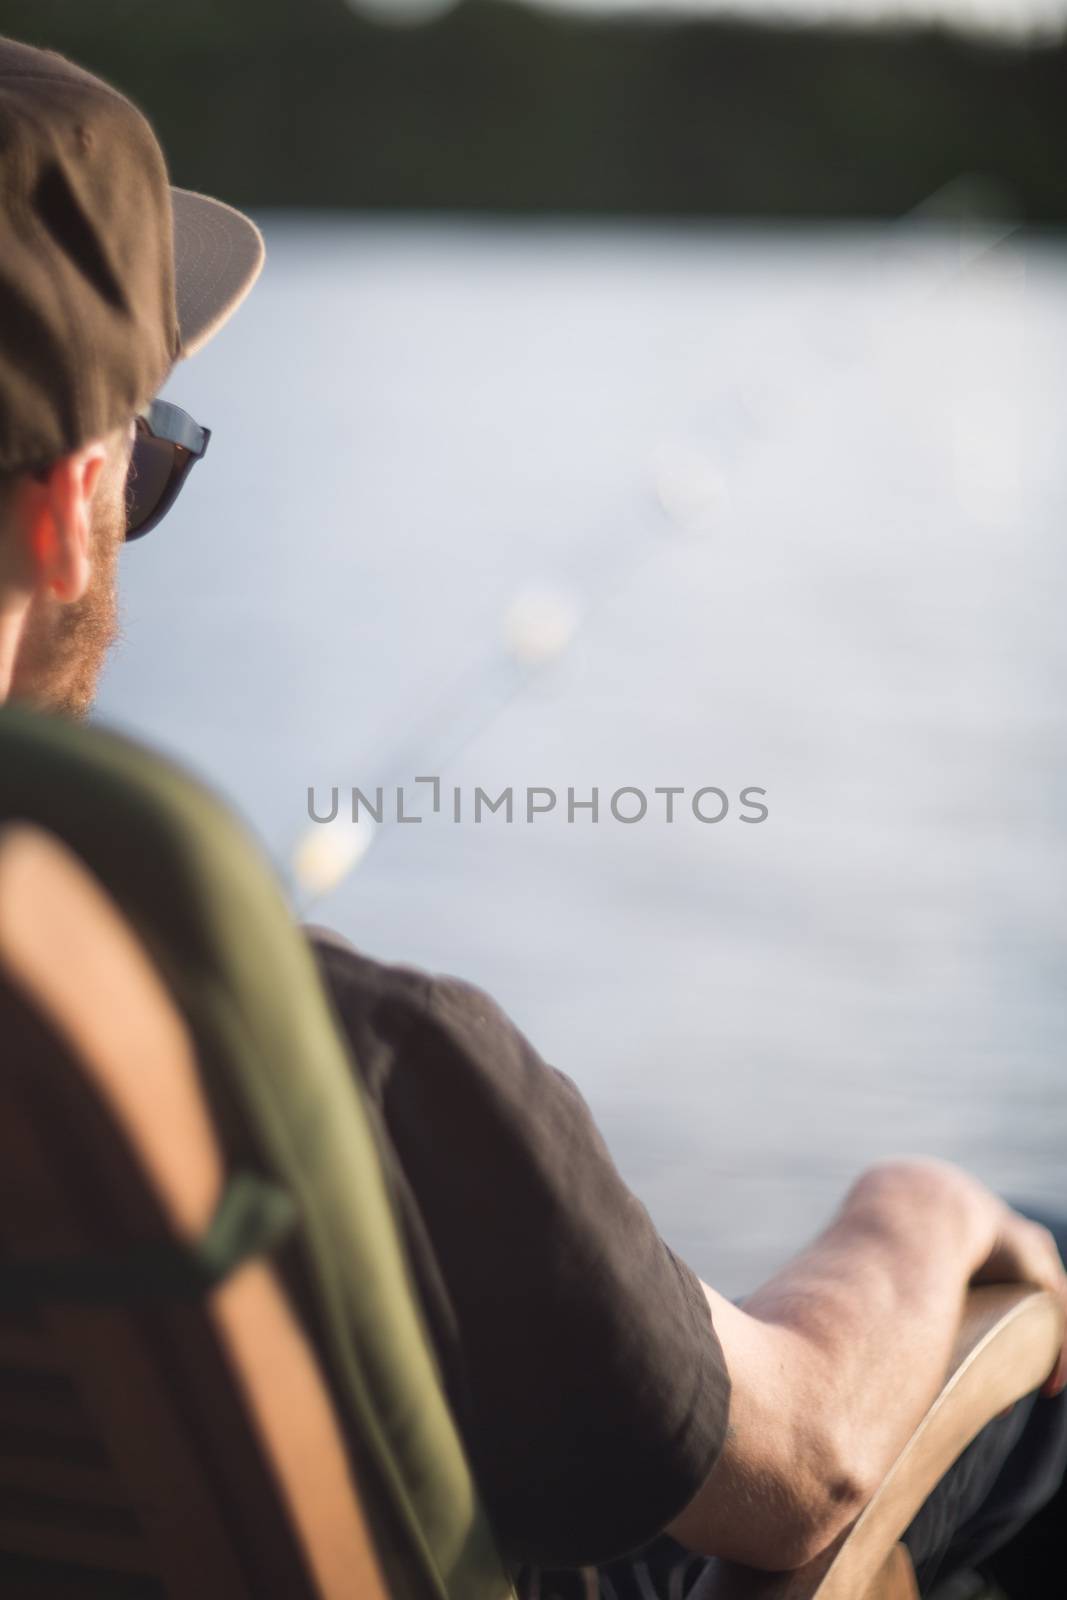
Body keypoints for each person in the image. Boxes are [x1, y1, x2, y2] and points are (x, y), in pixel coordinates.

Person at [0, 35, 1063, 1600]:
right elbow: (811, 1472)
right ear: (61, 507)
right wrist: (922, 1206)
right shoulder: (329, 1061)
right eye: (150, 464)